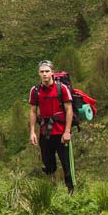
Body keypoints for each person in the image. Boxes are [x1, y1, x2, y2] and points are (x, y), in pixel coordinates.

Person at [28, 60, 74, 193]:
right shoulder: (35, 91)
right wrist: (32, 132)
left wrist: (67, 131)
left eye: (47, 71)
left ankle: (71, 191)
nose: (44, 74)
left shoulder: (62, 89)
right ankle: (52, 190)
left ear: (52, 73)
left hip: (60, 133)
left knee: (66, 164)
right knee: (48, 164)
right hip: (45, 133)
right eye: (42, 72)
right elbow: (33, 111)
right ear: (38, 73)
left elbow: (69, 110)